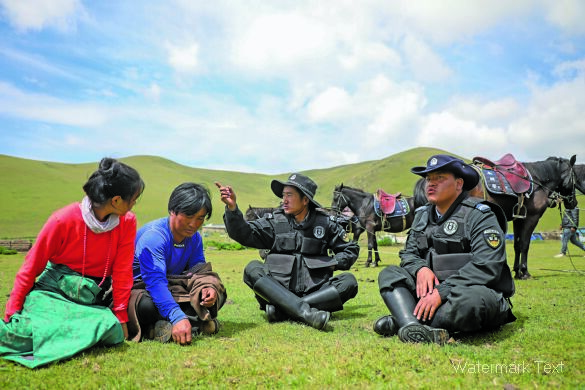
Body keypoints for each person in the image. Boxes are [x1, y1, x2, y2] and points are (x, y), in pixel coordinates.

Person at [1, 158, 144, 368]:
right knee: (21, 333)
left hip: (89, 299)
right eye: (133, 199)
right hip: (52, 293)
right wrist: (12, 311)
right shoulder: (62, 219)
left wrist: (121, 317)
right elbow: (31, 266)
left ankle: (51, 339)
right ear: (115, 200)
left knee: (111, 328)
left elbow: (122, 271)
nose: (133, 204)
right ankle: (42, 334)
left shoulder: (127, 222)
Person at [374, 154, 516, 344]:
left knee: (471, 303)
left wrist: (442, 292)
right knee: (390, 274)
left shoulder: (480, 215)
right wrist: (420, 269)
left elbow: (487, 265)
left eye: (439, 178)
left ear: (459, 184)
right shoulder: (422, 215)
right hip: (431, 292)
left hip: (469, 291)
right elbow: (409, 253)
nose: (431, 184)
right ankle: (413, 325)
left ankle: (405, 320)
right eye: (428, 179)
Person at [215, 173, 359, 330]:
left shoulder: (325, 224)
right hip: (277, 290)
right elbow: (243, 233)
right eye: (283, 195)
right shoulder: (274, 222)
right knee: (252, 268)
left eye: (289, 195)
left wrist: (332, 264)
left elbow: (350, 249)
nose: (284, 200)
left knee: (349, 281)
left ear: (305, 200)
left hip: (315, 290)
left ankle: (283, 311)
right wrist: (232, 208)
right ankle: (306, 312)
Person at [131, 183, 226, 345]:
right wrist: (177, 316)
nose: (194, 224)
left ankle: (159, 329)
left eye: (200, 218)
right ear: (172, 211)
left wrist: (206, 289)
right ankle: (195, 324)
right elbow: (155, 283)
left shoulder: (195, 238)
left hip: (174, 289)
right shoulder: (154, 237)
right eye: (189, 216)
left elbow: (198, 271)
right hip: (143, 289)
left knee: (219, 293)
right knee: (147, 306)